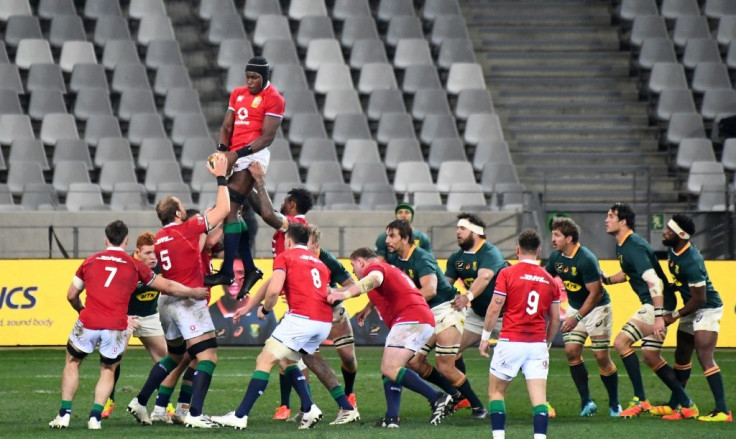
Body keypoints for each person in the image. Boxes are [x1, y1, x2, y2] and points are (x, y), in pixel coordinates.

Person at [48, 220, 208, 430]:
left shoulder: (90, 261)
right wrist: (193, 292)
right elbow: (168, 286)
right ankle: (95, 417)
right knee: (108, 369)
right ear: (127, 241)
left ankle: (64, 415)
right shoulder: (134, 265)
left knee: (72, 363)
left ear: (106, 239)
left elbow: (71, 295)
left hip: (90, 321)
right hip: (117, 323)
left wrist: (80, 310)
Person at [212, 224, 356, 429]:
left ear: (288, 240)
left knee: (264, 359)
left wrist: (265, 310)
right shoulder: (318, 263)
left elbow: (273, 291)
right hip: (324, 322)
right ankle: (309, 408)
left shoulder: (285, 257)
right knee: (287, 360)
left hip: (301, 319)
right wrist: (248, 308)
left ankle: (240, 416)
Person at [126, 153, 231, 428]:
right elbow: (223, 210)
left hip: (166, 302)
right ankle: (194, 415)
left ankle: (141, 401)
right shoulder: (186, 229)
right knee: (207, 355)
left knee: (174, 356)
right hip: (186, 302)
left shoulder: (158, 239)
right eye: (182, 207)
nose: (185, 209)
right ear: (176, 213)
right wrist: (221, 177)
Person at [327, 247, 454, 428]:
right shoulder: (388, 268)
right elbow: (386, 287)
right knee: (391, 368)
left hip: (410, 318)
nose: (353, 271)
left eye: (353, 265)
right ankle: (392, 418)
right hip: (418, 318)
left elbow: (375, 279)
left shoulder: (374, 269)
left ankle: (437, 397)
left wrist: (344, 294)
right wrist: (368, 308)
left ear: (361, 262)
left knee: (390, 367)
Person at [384, 219, 486, 419]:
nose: (387, 240)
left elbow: (430, 290)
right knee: (414, 362)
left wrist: (404, 305)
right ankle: (455, 395)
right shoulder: (394, 260)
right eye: (387, 235)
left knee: (445, 365)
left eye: (392, 236)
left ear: (405, 239)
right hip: (424, 312)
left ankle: (478, 406)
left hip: (446, 309)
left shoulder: (421, 257)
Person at [603, 203, 697, 419]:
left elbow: (654, 282)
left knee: (620, 343)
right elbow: (626, 273)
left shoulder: (632, 246)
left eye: (610, 216)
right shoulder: (624, 245)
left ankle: (640, 399)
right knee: (650, 356)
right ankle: (686, 403)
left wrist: (657, 317)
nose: (606, 220)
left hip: (658, 305)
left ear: (623, 221)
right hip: (663, 305)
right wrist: (606, 279)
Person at [206, 55, 285, 298]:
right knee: (233, 211)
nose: (250, 82)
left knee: (230, 209)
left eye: (255, 78)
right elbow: (227, 127)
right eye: (248, 77)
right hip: (233, 155)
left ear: (265, 77)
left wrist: (236, 155)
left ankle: (228, 270)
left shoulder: (275, 99)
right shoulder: (237, 93)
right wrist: (221, 153)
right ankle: (249, 269)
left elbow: (267, 137)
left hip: (253, 156)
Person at [478, 229, 561, 439]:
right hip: (537, 345)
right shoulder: (550, 280)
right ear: (539, 251)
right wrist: (547, 343)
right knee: (539, 400)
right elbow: (555, 319)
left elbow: (494, 308)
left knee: (496, 392)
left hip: (510, 341)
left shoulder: (507, 273)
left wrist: (485, 337)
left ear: (517, 250)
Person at [545, 217, 620, 417]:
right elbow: (545, 279)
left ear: (569, 238)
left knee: (601, 357)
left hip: (597, 308)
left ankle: (614, 403)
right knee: (571, 351)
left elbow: (595, 293)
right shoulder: (556, 258)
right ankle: (587, 402)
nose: (553, 239)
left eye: (557, 235)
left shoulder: (586, 258)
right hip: (575, 307)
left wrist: (576, 317)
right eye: (553, 234)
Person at [659, 214, 730, 421]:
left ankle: (723, 411)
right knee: (682, 355)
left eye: (670, 230)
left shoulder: (692, 260)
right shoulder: (673, 251)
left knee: (703, 355)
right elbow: (682, 283)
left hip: (707, 308)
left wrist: (674, 315)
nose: (665, 231)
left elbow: (700, 299)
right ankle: (675, 406)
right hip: (691, 307)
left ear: (681, 234)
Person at [444, 214, 512, 410]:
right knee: (452, 352)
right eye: (457, 228)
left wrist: (467, 297)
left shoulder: (491, 253)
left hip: (505, 316)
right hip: (477, 315)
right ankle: (464, 398)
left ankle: (543, 402)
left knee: (524, 358)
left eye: (462, 228)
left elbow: (484, 277)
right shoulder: (456, 258)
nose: (457, 231)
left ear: (477, 233)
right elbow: (445, 284)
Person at [102, 232, 166, 420]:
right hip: (126, 316)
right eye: (147, 253)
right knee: (115, 358)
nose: (153, 257)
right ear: (137, 252)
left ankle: (164, 403)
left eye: (155, 252)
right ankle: (109, 399)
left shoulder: (162, 265)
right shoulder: (126, 266)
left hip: (150, 315)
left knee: (166, 360)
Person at [307, 225, 360, 409]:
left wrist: (333, 291)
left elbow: (351, 285)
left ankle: (349, 392)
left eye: (306, 244)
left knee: (348, 358)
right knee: (298, 359)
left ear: (315, 245)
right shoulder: (296, 258)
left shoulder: (327, 259)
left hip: (333, 312)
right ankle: (304, 406)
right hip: (308, 314)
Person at [210, 258, 277, 345]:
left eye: (240, 273)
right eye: (228, 272)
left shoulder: (264, 312)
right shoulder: (208, 314)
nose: (234, 278)